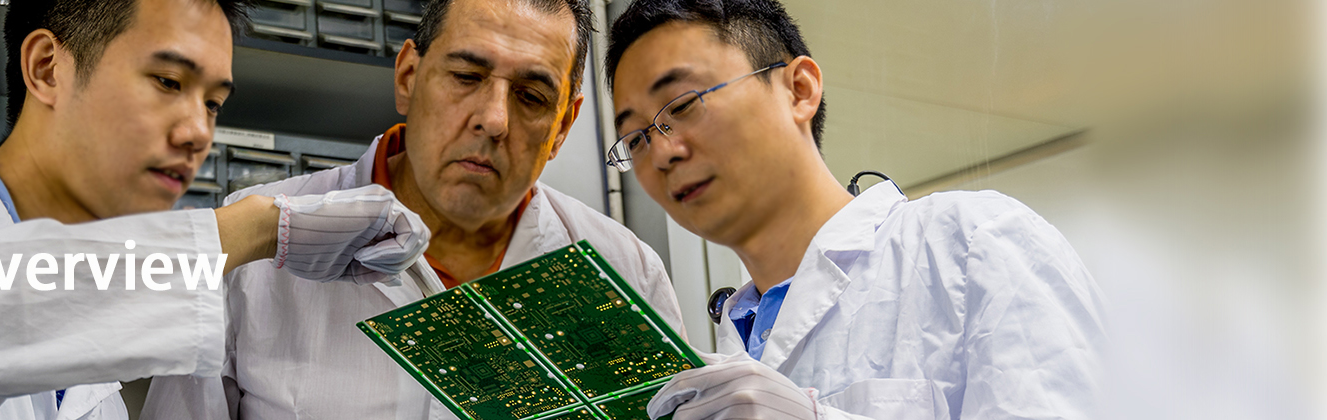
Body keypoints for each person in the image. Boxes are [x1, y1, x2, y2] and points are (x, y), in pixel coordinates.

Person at [0, 0, 429, 418]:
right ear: (47, 68)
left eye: (213, 103)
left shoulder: (101, 379)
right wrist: (252, 228)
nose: (198, 132)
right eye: (167, 81)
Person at [139, 0, 686, 418]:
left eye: (531, 96)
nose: (494, 120)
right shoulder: (250, 240)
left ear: (563, 125)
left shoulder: (626, 271)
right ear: (408, 78)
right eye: (466, 76)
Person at [603, 0, 1107, 419]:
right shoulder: (725, 356)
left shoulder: (974, 241)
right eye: (636, 137)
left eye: (683, 105)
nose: (662, 152)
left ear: (799, 90)